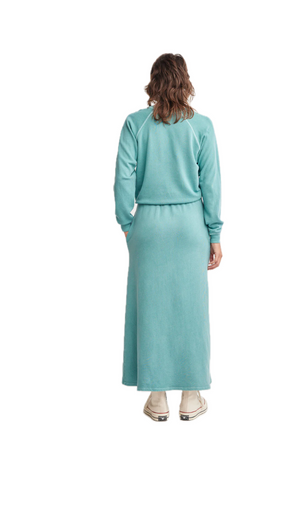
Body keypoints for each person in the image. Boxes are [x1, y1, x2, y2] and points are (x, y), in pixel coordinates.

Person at [114, 53, 223, 422]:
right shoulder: (201, 126)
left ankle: (157, 397)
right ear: (185, 81)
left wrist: (127, 223)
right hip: (190, 227)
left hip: (148, 227)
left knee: (151, 309)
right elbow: (211, 184)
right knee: (192, 311)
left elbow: (123, 178)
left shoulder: (135, 123)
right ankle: (191, 397)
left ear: (154, 82)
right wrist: (214, 234)